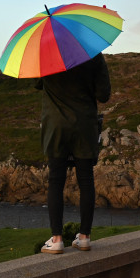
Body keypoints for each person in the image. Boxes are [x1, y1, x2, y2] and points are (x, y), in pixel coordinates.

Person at [37, 53, 111, 254]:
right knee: (86, 179)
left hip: (56, 126)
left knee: (55, 180)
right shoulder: (93, 53)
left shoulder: (47, 53)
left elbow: (37, 83)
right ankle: (85, 237)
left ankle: (57, 239)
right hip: (84, 124)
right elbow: (104, 95)